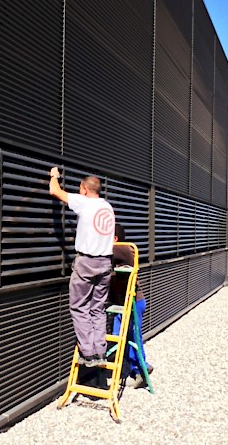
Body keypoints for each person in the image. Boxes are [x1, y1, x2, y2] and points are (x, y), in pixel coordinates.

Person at [49, 166, 115, 367]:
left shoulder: (84, 203)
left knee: (79, 307)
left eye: (80, 189)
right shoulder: (108, 207)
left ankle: (87, 354)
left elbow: (55, 191)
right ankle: (100, 352)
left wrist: (54, 175)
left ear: (85, 190)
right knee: (97, 308)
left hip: (87, 262)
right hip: (105, 263)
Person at [110, 223, 153, 388]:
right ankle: (134, 369)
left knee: (134, 337)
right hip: (122, 304)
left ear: (115, 238)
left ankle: (141, 369)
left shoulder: (124, 249)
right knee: (119, 336)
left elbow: (128, 251)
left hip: (135, 303)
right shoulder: (116, 254)